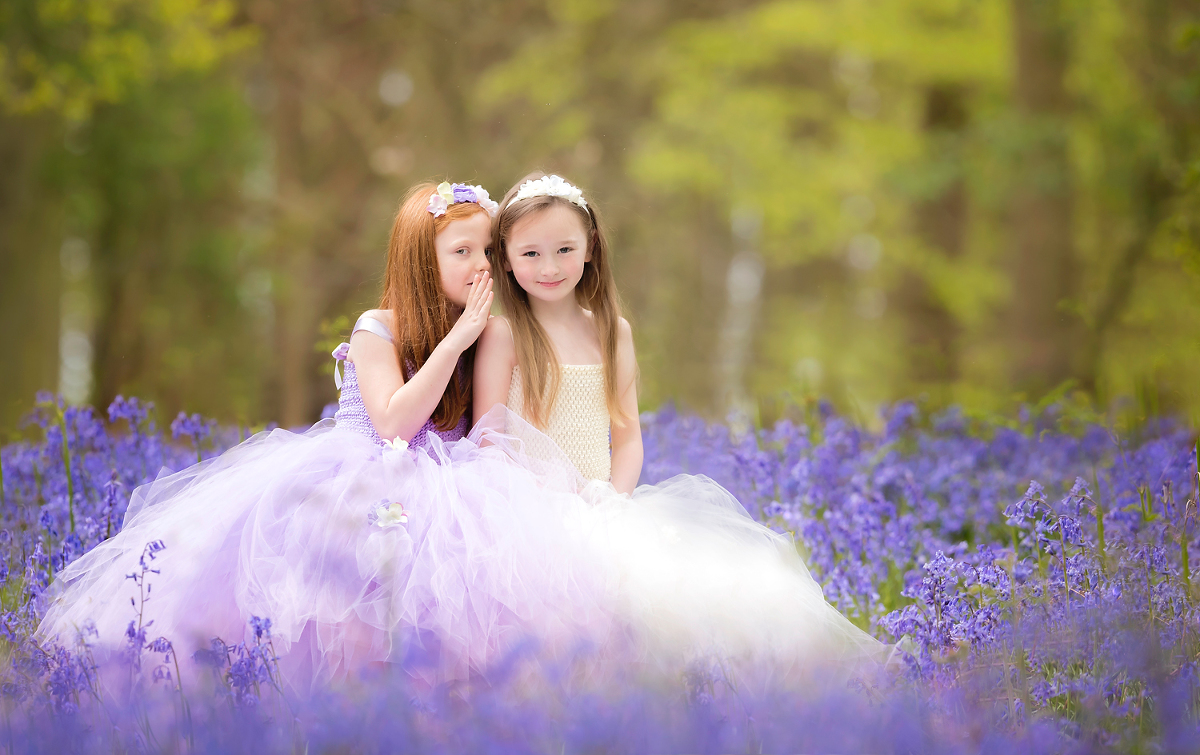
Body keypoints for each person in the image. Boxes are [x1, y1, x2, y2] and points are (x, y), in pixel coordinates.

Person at [36, 180, 613, 691]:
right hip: (360, 485)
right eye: (461, 252)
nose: (481, 265)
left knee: (447, 630)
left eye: (488, 250)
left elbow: (489, 425)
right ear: (420, 260)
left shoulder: (488, 332)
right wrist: (457, 340)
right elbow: (393, 423)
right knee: (350, 621)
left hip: (449, 487)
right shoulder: (378, 328)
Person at [472, 172, 884, 675]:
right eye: (530, 253)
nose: (550, 266)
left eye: (564, 249)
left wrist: (609, 500)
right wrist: (542, 502)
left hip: (600, 505)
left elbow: (626, 441)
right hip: (527, 509)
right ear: (507, 259)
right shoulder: (504, 335)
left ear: (590, 247)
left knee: (720, 597)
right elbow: (489, 435)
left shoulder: (611, 333)